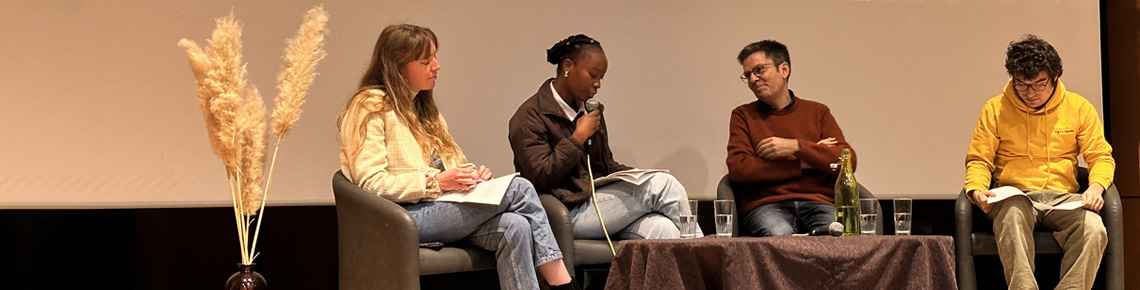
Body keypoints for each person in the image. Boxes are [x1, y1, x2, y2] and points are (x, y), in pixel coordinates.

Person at [337, 24, 577, 290]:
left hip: (438, 208)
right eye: (426, 61)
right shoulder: (369, 107)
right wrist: (435, 182)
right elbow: (371, 182)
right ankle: (563, 284)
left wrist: (472, 177)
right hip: (402, 217)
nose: (437, 66)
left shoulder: (425, 110)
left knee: (515, 225)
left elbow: (453, 163)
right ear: (398, 67)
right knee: (520, 188)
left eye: (435, 58)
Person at [508, 34, 698, 240]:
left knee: (663, 228)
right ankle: (707, 257)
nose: (598, 84)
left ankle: (687, 267)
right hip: (562, 213)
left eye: (601, 78)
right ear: (568, 66)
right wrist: (577, 138)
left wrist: (637, 176)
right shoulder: (530, 116)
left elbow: (605, 165)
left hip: (597, 204)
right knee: (664, 184)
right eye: (593, 75)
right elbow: (540, 177)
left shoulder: (591, 112)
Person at [964, 34, 1113, 290]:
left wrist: (1096, 187)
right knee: (1011, 216)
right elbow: (979, 159)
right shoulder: (995, 108)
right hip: (1016, 196)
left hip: (1063, 198)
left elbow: (1100, 156)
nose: (1030, 93)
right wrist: (976, 190)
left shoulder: (1078, 107)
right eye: (1021, 85)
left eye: (1039, 84)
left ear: (1055, 78)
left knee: (1093, 229)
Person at [725, 40, 855, 237]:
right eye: (748, 75)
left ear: (784, 69)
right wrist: (805, 162)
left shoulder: (818, 112)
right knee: (781, 237)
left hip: (818, 202)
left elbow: (847, 161)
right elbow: (740, 170)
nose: (753, 79)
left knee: (838, 241)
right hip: (766, 205)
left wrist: (796, 146)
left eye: (759, 70)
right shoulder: (743, 115)